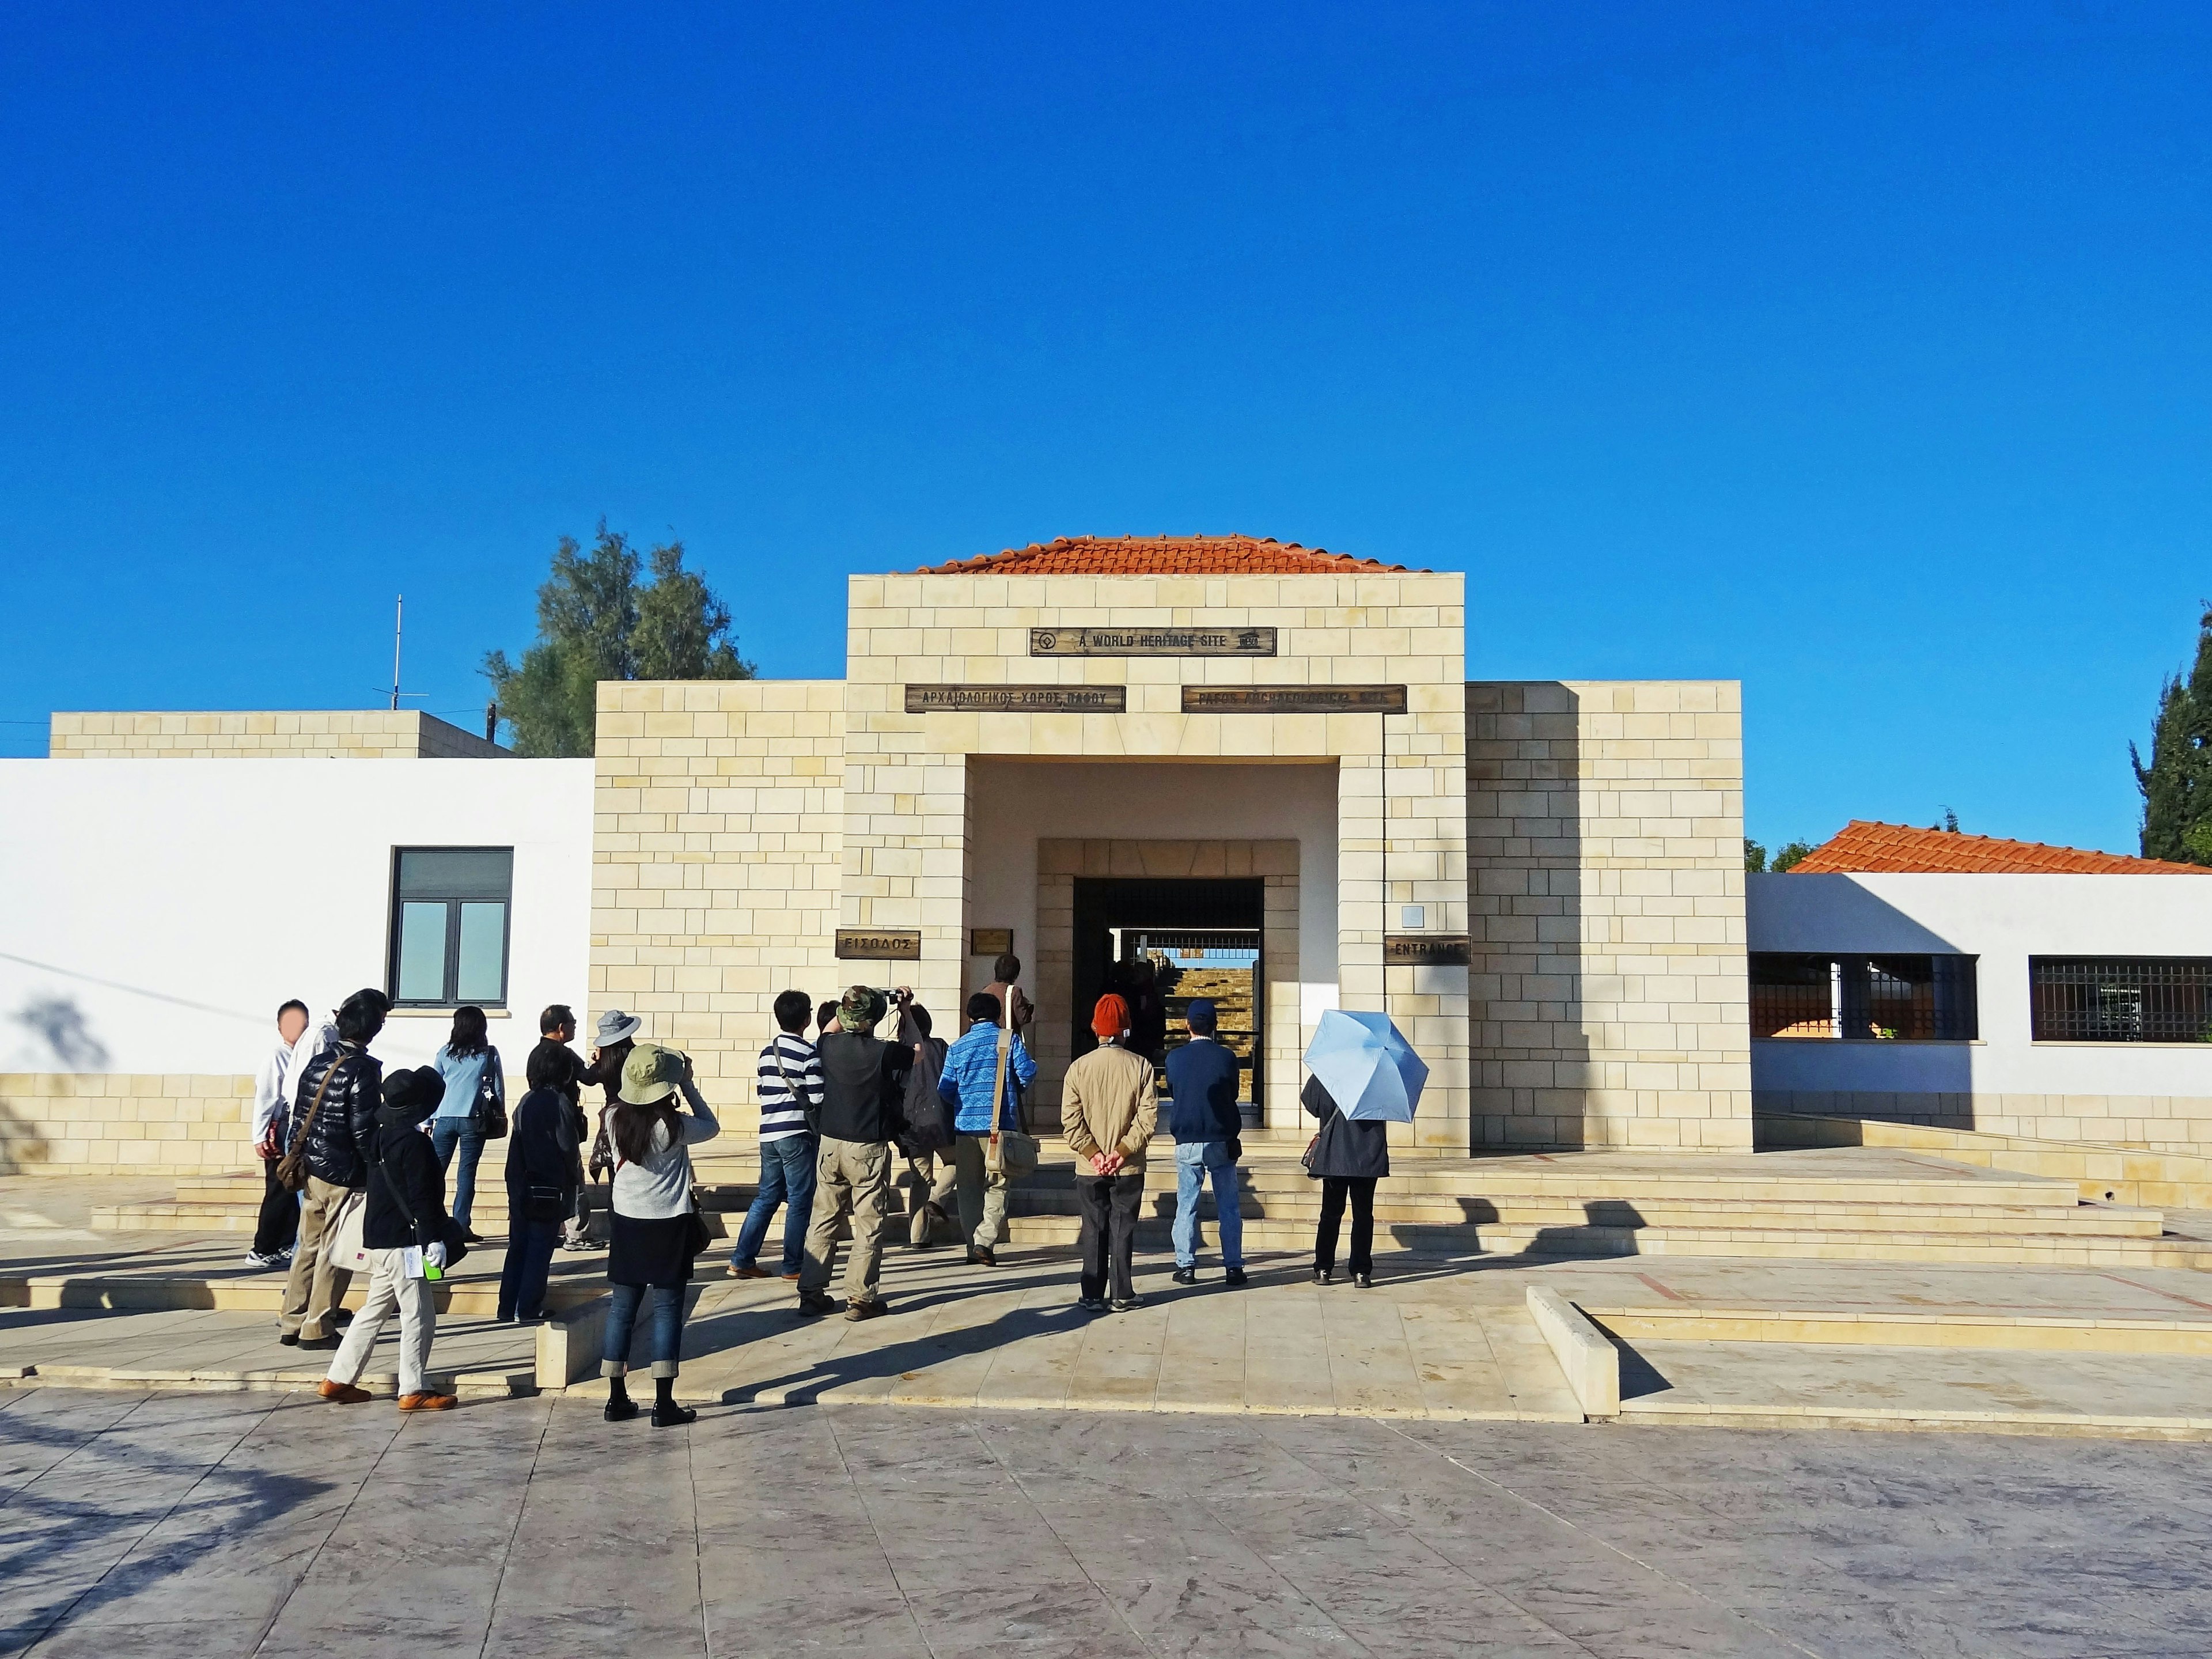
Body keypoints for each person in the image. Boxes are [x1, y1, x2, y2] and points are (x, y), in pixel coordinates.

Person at [316, 1066, 459, 1411]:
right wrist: (432, 1239)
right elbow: (421, 1195)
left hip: (379, 1239)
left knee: (374, 1310)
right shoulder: (415, 1143)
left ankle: (339, 1378)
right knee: (419, 1314)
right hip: (406, 1244)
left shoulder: (378, 1136)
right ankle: (413, 1388)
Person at [601, 1042, 719, 1426]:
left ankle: (616, 1398)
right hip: (669, 1224)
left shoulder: (612, 1116)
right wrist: (687, 1083)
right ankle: (664, 1402)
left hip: (626, 1221)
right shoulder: (674, 1126)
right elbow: (712, 1124)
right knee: (668, 1312)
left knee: (622, 1311)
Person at [278, 988, 390, 1349]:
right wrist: (376, 1166)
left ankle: (291, 1319)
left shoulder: (317, 1062)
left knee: (308, 1246)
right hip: (344, 1171)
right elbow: (363, 1129)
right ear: (373, 1030)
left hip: (312, 1167)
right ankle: (318, 1325)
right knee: (334, 1249)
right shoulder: (364, 1071)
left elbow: (300, 1113)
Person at [799, 985, 912, 1320]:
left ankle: (811, 1290)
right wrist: (904, 1009)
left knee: (823, 1218)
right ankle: (860, 1298)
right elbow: (917, 1050)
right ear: (875, 1018)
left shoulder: (828, 1045)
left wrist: (852, 1004)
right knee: (869, 1223)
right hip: (867, 1145)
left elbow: (829, 1027)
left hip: (830, 1142)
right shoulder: (883, 1052)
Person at [1061, 993, 1156, 1312]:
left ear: (1095, 1027)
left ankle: (1091, 1294)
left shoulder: (1078, 1069)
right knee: (1123, 1228)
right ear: (1126, 1028)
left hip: (1089, 1167)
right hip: (1128, 1166)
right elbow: (1148, 1118)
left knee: (1093, 1227)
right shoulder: (1141, 1067)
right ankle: (1122, 1293)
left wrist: (1094, 1154)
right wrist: (1122, 1151)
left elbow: (1070, 1121)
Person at [935, 990, 1036, 1267]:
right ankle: (985, 1241)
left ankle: (972, 1246)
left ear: (969, 1016)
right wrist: (1014, 1092)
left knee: (968, 1190)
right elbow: (1027, 1072)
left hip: (965, 1129)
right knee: (998, 1186)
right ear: (998, 1016)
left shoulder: (957, 1047)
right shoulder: (1009, 1040)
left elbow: (945, 1088)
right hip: (1000, 1127)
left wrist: (963, 1102)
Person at [730, 990, 823, 1282]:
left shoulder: (767, 1052)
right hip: (796, 1133)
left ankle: (742, 1259)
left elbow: (762, 1091)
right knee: (800, 1199)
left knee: (767, 1197)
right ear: (807, 1019)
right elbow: (818, 1098)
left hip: (769, 1133)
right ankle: (793, 1265)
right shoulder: (809, 1053)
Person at [1164, 997, 1246, 1287]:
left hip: (1187, 1138)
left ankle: (1186, 1266)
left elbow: (1174, 1091)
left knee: (1187, 1205)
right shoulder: (1226, 1057)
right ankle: (1234, 1267)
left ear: (1187, 1026)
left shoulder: (1174, 1058)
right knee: (1229, 1207)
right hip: (1221, 1137)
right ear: (1215, 1026)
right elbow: (1233, 1093)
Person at [245, 998, 332, 1270]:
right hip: (279, 1129)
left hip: (299, 1129)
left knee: (293, 1187)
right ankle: (262, 1248)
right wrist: (259, 1136)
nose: (297, 1029)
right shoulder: (277, 1057)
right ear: (280, 1028)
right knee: (277, 1189)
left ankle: (284, 1244)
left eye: (302, 1024)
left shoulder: (305, 1055)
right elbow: (266, 1098)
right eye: (291, 1024)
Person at [499, 1042, 582, 1321]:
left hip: (522, 1183)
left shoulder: (526, 1100)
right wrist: (574, 1180)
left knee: (518, 1247)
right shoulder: (559, 1102)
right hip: (548, 1184)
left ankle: (507, 1306)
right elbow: (567, 1145)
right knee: (539, 1249)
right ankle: (528, 1307)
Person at [1305, 1073, 1388, 1288]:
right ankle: (1361, 1272)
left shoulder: (1328, 1071)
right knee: (1363, 1214)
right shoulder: (1377, 1075)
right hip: (1368, 1154)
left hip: (1336, 1153)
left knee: (1331, 1214)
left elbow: (1312, 1104)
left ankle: (1323, 1268)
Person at [428, 1005, 502, 1245]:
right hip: (473, 1119)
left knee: (436, 1173)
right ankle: (461, 1226)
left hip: (444, 1118)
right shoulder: (488, 1053)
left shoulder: (445, 1052)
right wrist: (499, 1112)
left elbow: (433, 1086)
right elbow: (498, 1089)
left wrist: (428, 1119)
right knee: (466, 1173)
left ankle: (433, 1223)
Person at [533, 1005, 595, 1249]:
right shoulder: (565, 1055)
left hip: (537, 1126)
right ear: (561, 1028)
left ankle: (554, 1228)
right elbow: (589, 1078)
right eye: (573, 1022)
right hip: (562, 1123)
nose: (576, 1026)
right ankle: (577, 1234)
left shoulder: (535, 1054)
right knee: (573, 1177)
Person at [982, 952, 1033, 1041]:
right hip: (1006, 1040)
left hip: (987, 1039)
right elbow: (1023, 1019)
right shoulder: (1014, 991)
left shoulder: (986, 990)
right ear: (1015, 974)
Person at [1127, 959, 1169, 1066]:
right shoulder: (1149, 990)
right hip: (1148, 1035)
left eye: (1137, 973)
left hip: (1143, 1035)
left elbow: (1145, 1012)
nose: (1134, 976)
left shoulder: (1144, 991)